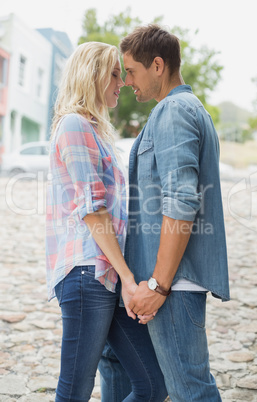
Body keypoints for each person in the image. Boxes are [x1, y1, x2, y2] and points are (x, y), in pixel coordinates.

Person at [100, 25, 230, 401]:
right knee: (123, 367)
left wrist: (158, 285)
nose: (126, 82)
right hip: (156, 282)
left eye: (131, 71)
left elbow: (181, 202)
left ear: (158, 65)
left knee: (191, 389)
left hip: (171, 285)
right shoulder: (181, 109)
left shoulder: (173, 112)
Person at [45, 41, 167, 402]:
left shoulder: (94, 132)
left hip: (105, 275)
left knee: (152, 383)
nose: (122, 81)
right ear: (91, 76)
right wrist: (129, 279)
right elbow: (92, 210)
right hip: (87, 272)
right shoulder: (73, 125)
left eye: (123, 73)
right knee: (75, 390)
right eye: (114, 74)